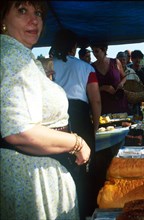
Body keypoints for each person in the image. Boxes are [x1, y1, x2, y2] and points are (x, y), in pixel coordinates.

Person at [0, 2, 91, 219]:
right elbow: (19, 131)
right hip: (32, 177)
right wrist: (76, 142)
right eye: (22, 11)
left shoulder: (19, 54)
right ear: (2, 19)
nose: (34, 20)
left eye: (38, 13)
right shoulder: (13, 57)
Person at [52, 28, 101, 219]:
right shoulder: (86, 68)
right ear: (74, 47)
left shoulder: (48, 66)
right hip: (80, 119)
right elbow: (95, 100)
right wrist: (95, 126)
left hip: (55, 121)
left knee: (61, 167)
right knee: (85, 167)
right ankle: (86, 211)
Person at [91, 43, 129, 114]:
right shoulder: (91, 67)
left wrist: (121, 84)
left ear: (104, 50)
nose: (94, 54)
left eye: (97, 51)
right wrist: (103, 88)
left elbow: (124, 77)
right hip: (103, 103)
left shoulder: (115, 62)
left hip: (119, 101)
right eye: (93, 52)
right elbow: (90, 89)